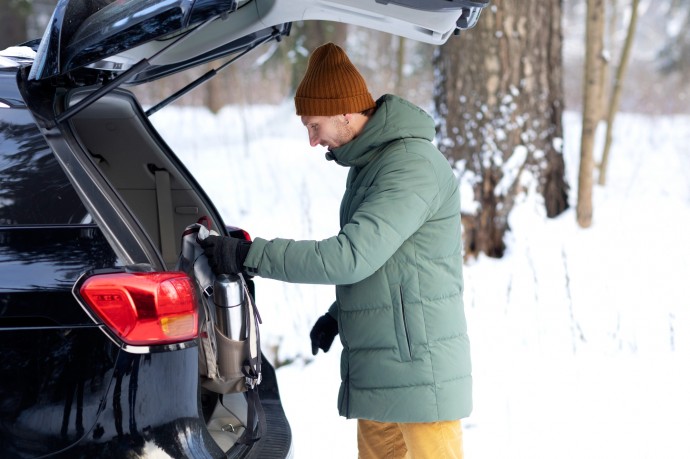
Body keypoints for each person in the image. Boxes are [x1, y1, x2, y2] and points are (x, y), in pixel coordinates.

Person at [200, 42, 472, 459]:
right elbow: (385, 265)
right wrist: (337, 316)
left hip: (419, 369)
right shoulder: (371, 166)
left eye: (314, 125)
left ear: (345, 113)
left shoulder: (410, 165)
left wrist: (248, 256)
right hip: (383, 365)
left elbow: (350, 257)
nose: (312, 140)